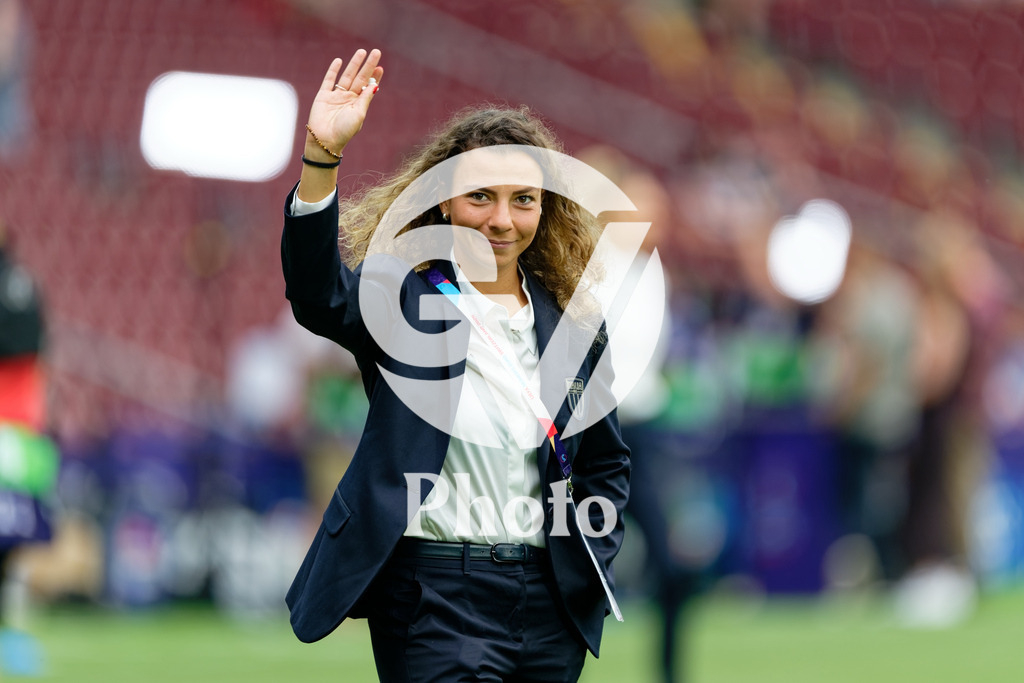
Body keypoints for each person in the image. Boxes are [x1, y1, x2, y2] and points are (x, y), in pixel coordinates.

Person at [282, 49, 631, 682]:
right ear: (444, 204)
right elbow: (317, 294)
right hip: (435, 593)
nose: (502, 219)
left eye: (523, 200)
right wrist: (322, 158)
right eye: (480, 198)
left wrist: (593, 554)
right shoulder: (404, 299)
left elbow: (606, 462)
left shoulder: (576, 325)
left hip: (549, 603)